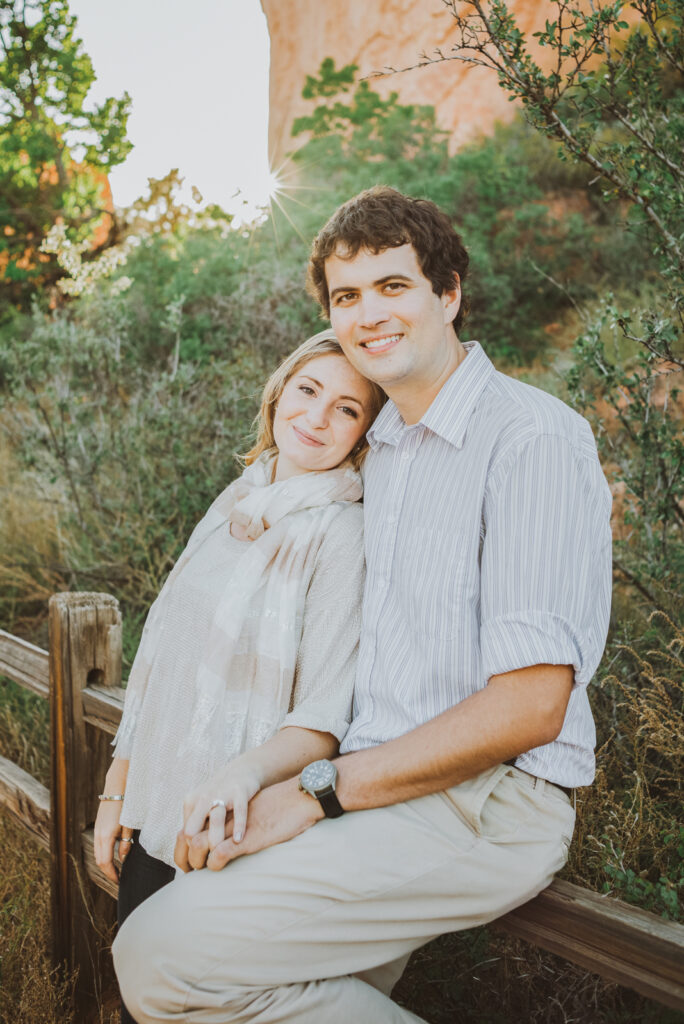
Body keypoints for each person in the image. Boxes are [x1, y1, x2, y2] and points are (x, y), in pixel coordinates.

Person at [114, 186, 613, 1024]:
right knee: (261, 986)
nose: (368, 314)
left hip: (486, 802)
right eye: (346, 296)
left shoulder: (530, 438)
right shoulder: (380, 450)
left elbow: (531, 707)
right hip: (379, 789)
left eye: (392, 286)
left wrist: (313, 794)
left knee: (161, 954)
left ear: (448, 293)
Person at [94, 329, 385, 1024]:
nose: (318, 416)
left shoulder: (343, 535)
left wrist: (233, 782)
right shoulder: (238, 501)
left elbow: (321, 721)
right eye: (308, 390)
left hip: (236, 836)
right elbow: (162, 662)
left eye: (347, 409)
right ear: (279, 392)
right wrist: (118, 792)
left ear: (364, 434)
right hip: (157, 816)